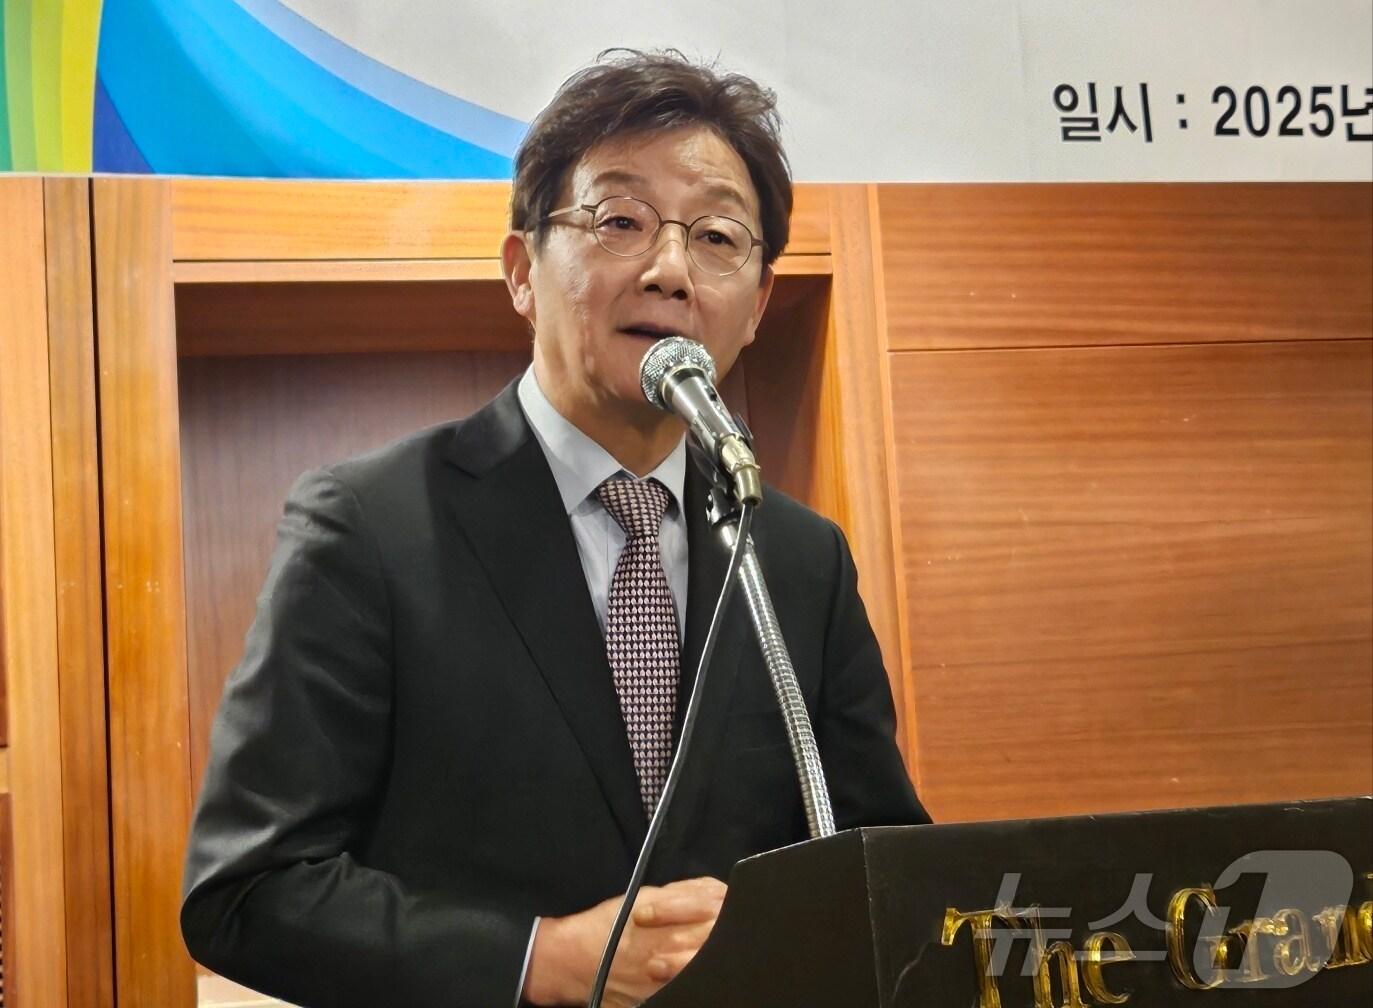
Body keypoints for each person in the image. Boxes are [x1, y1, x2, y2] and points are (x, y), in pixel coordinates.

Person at [181, 50, 929, 1008]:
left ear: (756, 307)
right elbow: (248, 892)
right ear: (521, 271)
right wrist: (540, 959)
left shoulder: (796, 556)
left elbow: (884, 870)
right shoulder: (369, 525)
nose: (669, 271)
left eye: (716, 237)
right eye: (619, 221)